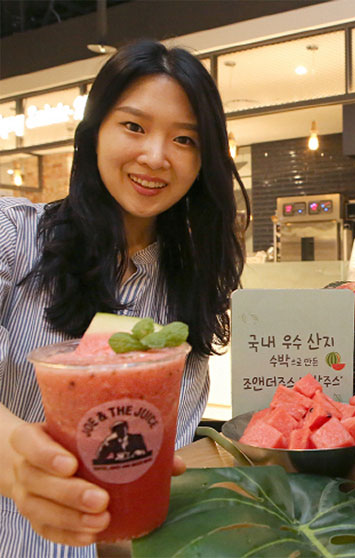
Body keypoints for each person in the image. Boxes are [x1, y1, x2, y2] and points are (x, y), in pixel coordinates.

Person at [0, 40, 248, 557]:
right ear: (94, 132)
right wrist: (13, 459)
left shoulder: (191, 281)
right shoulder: (13, 238)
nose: (155, 157)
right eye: (134, 126)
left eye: (185, 139)